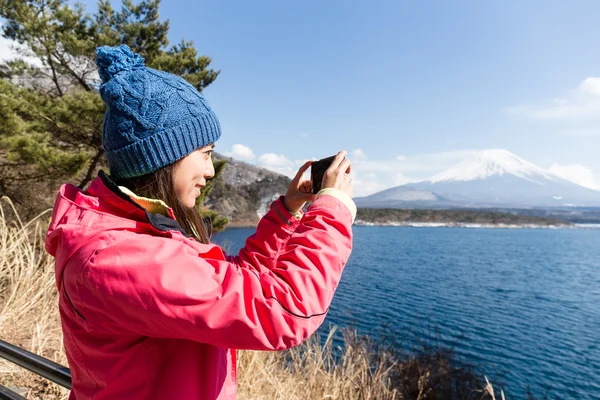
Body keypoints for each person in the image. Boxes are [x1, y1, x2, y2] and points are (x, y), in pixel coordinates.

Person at [45, 44, 355, 400]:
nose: (210, 170)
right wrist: (332, 209)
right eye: (205, 154)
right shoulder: (120, 259)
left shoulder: (138, 231)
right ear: (165, 156)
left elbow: (235, 283)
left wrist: (286, 212)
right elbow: (283, 311)